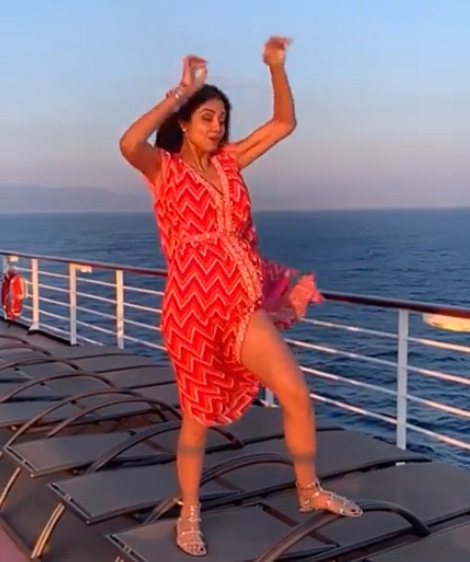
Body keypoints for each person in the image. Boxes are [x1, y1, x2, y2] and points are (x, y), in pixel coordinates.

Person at [119, 36, 362, 557]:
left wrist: (275, 66)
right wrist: (179, 90)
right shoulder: (165, 169)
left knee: (294, 392)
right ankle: (189, 512)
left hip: (240, 305)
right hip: (192, 311)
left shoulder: (230, 163)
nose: (217, 127)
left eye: (222, 119)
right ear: (185, 122)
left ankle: (308, 490)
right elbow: (128, 143)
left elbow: (284, 124)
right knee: (196, 419)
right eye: (206, 117)